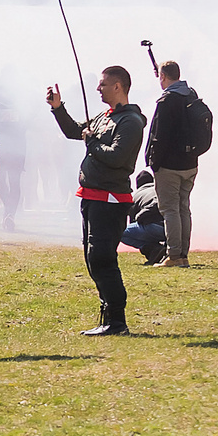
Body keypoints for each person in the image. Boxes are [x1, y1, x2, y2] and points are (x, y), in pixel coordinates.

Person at [46, 68, 148, 335]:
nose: (97, 88)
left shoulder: (131, 122)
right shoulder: (105, 117)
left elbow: (117, 157)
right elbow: (74, 131)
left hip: (111, 200)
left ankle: (117, 322)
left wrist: (91, 142)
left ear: (118, 86)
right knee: (92, 258)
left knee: (102, 258)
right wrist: (58, 108)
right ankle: (107, 317)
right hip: (91, 197)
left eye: (102, 84)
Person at [142, 60, 212, 266]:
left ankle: (174, 256)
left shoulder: (167, 101)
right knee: (184, 208)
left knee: (170, 210)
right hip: (191, 163)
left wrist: (154, 162)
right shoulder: (191, 95)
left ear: (162, 77)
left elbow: (159, 136)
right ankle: (183, 254)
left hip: (169, 166)